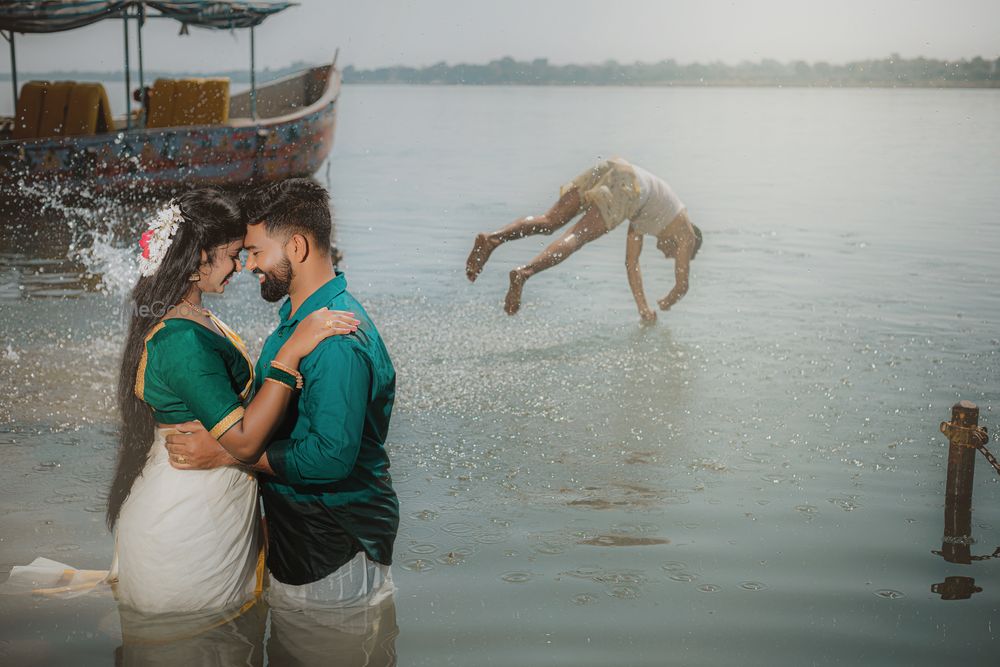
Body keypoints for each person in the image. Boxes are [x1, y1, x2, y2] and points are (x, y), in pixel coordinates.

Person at [106, 189, 359, 614]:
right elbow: (242, 442)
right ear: (198, 260)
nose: (241, 266)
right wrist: (291, 351)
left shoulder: (192, 317)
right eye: (232, 255)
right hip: (187, 525)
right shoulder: (182, 339)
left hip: (203, 509)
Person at [164, 179, 399, 611]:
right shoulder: (297, 318)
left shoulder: (335, 343)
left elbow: (329, 457)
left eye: (255, 252)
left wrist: (229, 454)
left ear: (296, 247)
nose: (249, 265)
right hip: (303, 542)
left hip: (334, 548)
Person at [465, 157, 703, 322]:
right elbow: (682, 285)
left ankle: (493, 239)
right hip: (629, 185)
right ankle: (525, 273)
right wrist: (667, 302)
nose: (668, 255)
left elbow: (632, 263)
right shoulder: (686, 234)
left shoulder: (648, 214)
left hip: (615, 167)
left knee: (550, 221)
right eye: (673, 254)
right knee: (576, 237)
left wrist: (643, 309)